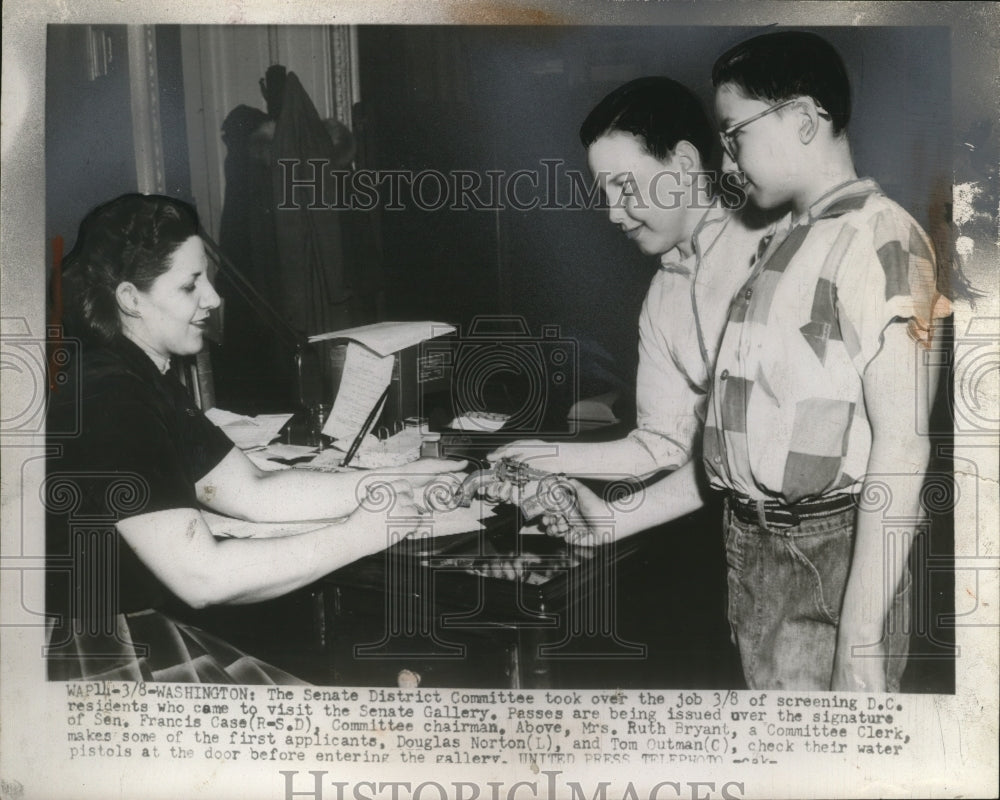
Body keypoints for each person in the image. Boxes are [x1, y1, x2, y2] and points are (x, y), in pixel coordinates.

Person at [557, 31, 951, 692]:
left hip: (830, 553)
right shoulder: (783, 244)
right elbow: (732, 446)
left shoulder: (884, 241)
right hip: (753, 548)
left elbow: (904, 451)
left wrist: (860, 638)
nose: (729, 162)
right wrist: (613, 517)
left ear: (803, 119)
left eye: (736, 135)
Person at [45, 193, 464, 683]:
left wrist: (395, 482)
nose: (214, 299)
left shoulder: (138, 374)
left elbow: (253, 490)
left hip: (129, 628)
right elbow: (203, 577)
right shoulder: (107, 396)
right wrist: (360, 533)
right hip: (93, 652)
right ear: (129, 299)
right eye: (189, 286)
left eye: (208, 279)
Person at [490, 77, 766, 481]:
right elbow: (662, 445)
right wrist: (542, 457)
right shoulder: (660, 296)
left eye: (626, 187)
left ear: (685, 164)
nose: (613, 213)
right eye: (605, 193)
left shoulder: (768, 250)